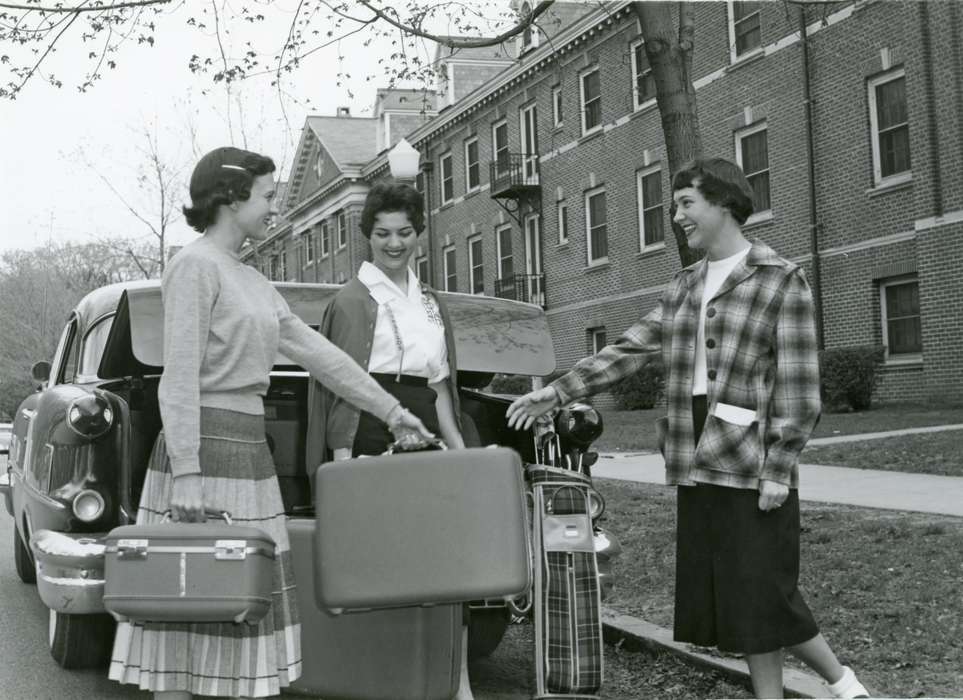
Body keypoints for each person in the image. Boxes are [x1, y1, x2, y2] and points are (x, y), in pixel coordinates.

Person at [506, 158, 870, 700]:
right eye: (674, 205)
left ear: (724, 203)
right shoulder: (684, 286)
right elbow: (629, 349)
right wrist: (557, 390)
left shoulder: (779, 279)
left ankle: (845, 686)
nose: (675, 216)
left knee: (766, 589)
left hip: (753, 456)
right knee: (738, 595)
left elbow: (799, 383)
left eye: (685, 204)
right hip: (695, 451)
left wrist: (780, 466)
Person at [108, 147, 433, 700]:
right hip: (203, 452)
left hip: (249, 454)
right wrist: (185, 470)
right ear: (231, 199)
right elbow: (179, 375)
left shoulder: (253, 281)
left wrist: (394, 412)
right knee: (187, 610)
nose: (274, 207)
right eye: (266, 195)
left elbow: (323, 356)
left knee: (242, 609)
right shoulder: (194, 266)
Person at [305, 180, 475, 699]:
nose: (394, 243)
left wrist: (461, 456)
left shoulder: (430, 302)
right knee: (375, 561)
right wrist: (339, 464)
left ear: (419, 234)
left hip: (425, 430)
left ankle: (454, 678)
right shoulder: (351, 301)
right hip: (367, 428)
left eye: (404, 232)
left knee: (442, 560)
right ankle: (373, 681)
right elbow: (338, 390)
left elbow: (441, 388)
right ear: (368, 237)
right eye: (382, 233)